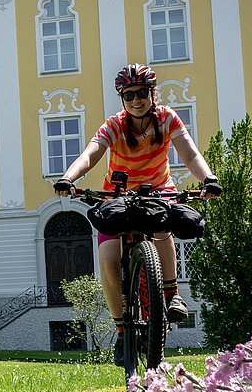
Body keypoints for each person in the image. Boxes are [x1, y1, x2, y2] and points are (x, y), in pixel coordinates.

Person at [53, 63, 221, 366]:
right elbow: (91, 152)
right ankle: (122, 329)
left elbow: (190, 153)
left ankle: (171, 293)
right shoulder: (116, 124)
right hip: (117, 197)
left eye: (142, 93)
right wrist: (69, 178)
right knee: (108, 260)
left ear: (152, 93)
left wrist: (208, 180)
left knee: (162, 229)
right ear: (122, 98)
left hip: (157, 191)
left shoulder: (167, 118)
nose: (136, 100)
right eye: (128, 95)